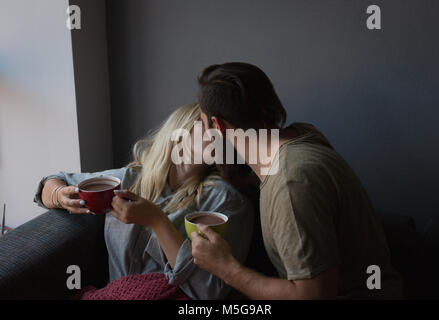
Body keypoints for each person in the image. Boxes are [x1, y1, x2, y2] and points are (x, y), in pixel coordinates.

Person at [190, 62, 403, 299]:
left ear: (218, 126)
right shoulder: (303, 135)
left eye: (204, 123)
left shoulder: (291, 182)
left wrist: (225, 268)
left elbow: (312, 296)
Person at [34, 103, 254, 300]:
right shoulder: (129, 178)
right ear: (180, 130)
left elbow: (208, 291)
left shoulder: (227, 201)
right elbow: (51, 182)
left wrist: (156, 220)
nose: (219, 133)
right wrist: (59, 195)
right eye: (208, 125)